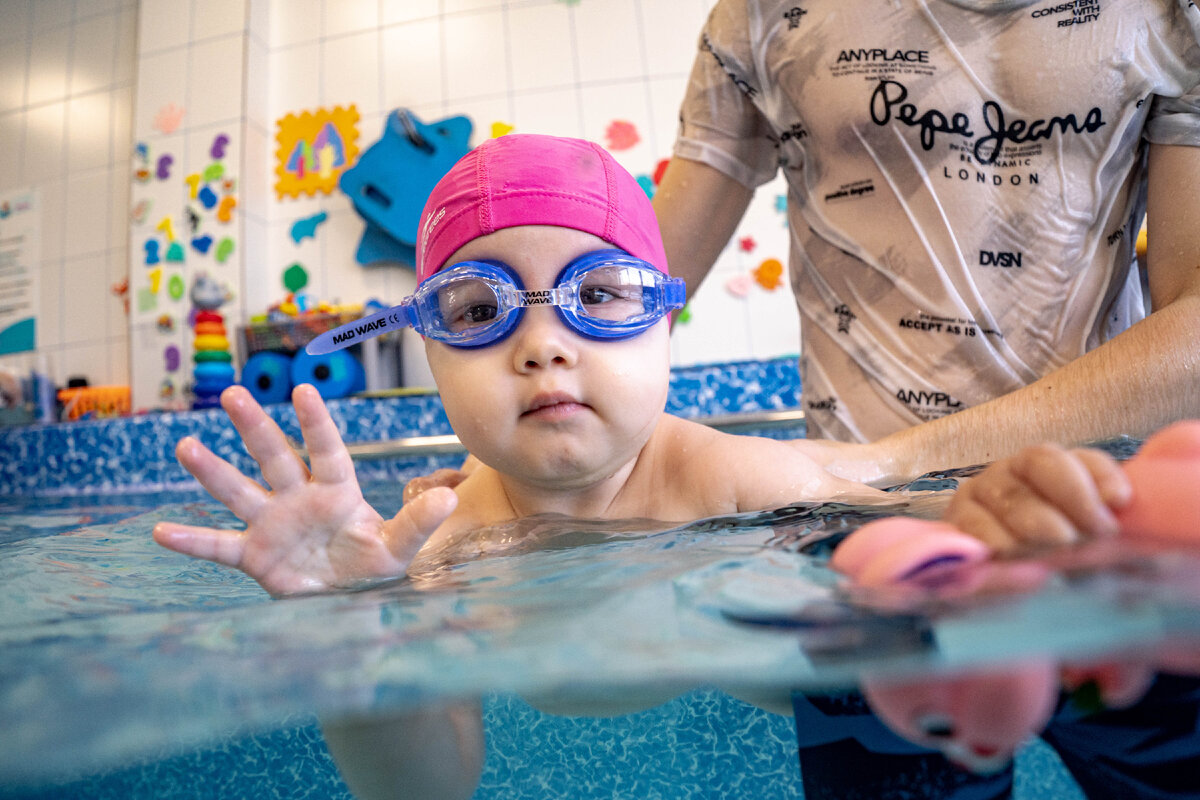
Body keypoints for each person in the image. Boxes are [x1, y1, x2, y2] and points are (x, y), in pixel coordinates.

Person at [151, 133, 1152, 800]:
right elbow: (430, 788)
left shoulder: (744, 483)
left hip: (836, 693)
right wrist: (350, 636)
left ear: (666, 323)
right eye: (475, 308)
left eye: (604, 292)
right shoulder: (442, 543)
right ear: (428, 351)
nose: (542, 344)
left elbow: (911, 547)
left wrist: (971, 541)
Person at [648, 2, 1200, 797]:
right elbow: (628, 304)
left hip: (1100, 528)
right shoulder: (764, 11)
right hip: (870, 554)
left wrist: (886, 462)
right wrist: (537, 461)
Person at [652, 0, 1200, 488]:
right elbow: (639, 293)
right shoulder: (765, 11)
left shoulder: (1176, 12)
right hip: (853, 513)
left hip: (1081, 499)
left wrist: (890, 462)